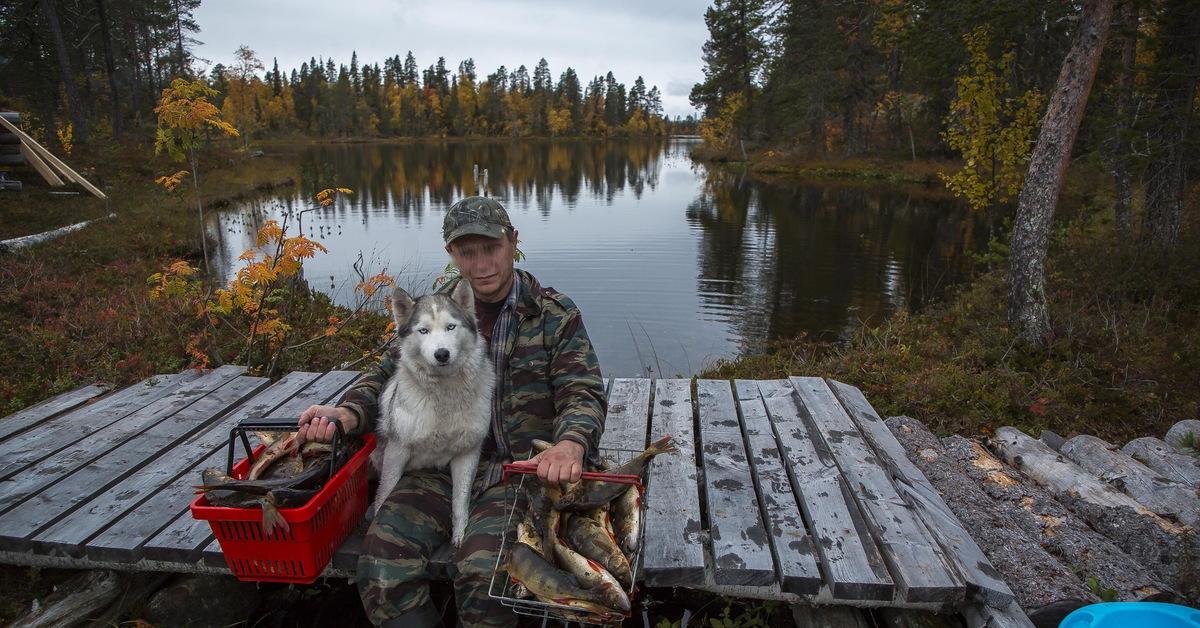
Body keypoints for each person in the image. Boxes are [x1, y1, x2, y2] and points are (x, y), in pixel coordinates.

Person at [296, 195, 607, 628]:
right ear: (452, 254)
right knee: (381, 566)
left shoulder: (553, 315)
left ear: (513, 242)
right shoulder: (433, 314)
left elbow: (583, 391)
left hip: (514, 473)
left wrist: (570, 444)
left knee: (485, 576)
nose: (481, 264)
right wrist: (349, 414)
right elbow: (387, 372)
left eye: (491, 247)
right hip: (437, 466)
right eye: (467, 252)